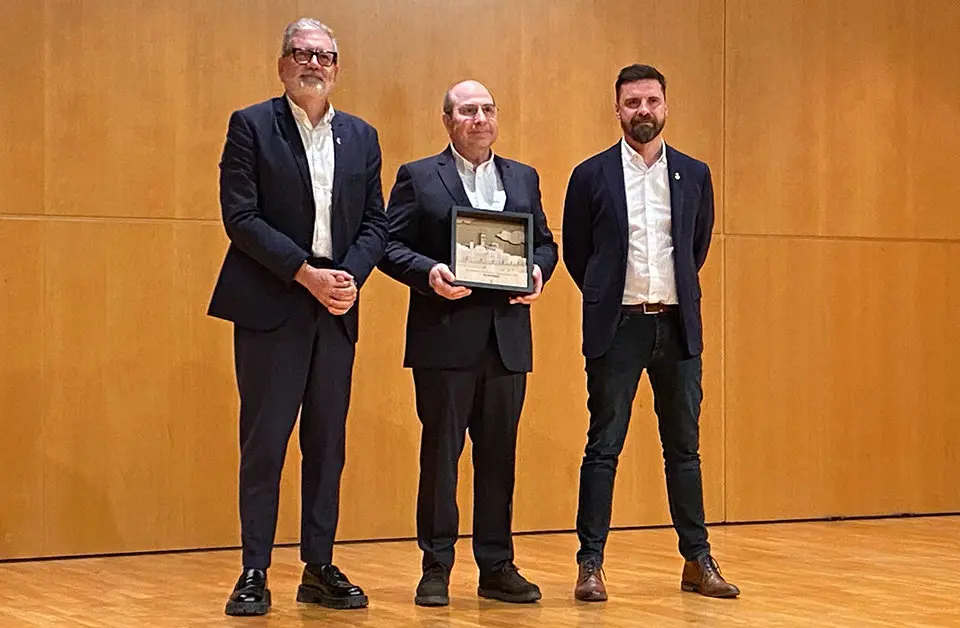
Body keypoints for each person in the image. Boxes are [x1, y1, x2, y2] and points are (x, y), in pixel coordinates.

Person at [208, 17, 388, 616]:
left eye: (325, 55)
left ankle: (317, 564)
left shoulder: (362, 137)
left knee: (327, 443)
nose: (314, 63)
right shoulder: (251, 125)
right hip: (271, 305)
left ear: (337, 67)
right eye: (302, 53)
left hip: (334, 308)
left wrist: (347, 278)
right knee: (265, 444)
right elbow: (241, 217)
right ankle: (254, 568)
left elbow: (375, 225)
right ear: (283, 63)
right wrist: (304, 272)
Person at [562, 64, 739, 602]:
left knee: (684, 450)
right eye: (633, 102)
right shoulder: (590, 175)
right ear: (617, 109)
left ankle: (697, 560)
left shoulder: (695, 172)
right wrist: (610, 300)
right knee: (603, 448)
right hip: (618, 327)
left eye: (652, 101)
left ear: (666, 106)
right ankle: (590, 564)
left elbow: (696, 247)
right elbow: (577, 254)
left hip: (678, 327)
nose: (644, 110)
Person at [379, 80, 558, 606]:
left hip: (506, 340)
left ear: (496, 117)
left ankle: (497, 566)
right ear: (448, 121)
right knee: (441, 456)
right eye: (466, 110)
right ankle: (435, 567)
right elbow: (389, 244)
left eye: (486, 109)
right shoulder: (417, 177)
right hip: (444, 338)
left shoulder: (523, 177)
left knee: (500, 456)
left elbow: (545, 243)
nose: (478, 118)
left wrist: (537, 272)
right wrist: (428, 271)